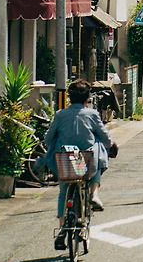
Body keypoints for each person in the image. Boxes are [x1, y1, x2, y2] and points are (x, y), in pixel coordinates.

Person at [39, 78, 116, 250]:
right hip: (85, 162)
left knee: (63, 193)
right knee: (98, 148)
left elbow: (48, 139)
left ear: (69, 97)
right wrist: (110, 145)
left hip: (66, 161)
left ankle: (61, 228)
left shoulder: (60, 114)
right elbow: (105, 138)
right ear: (87, 98)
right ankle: (94, 194)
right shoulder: (92, 114)